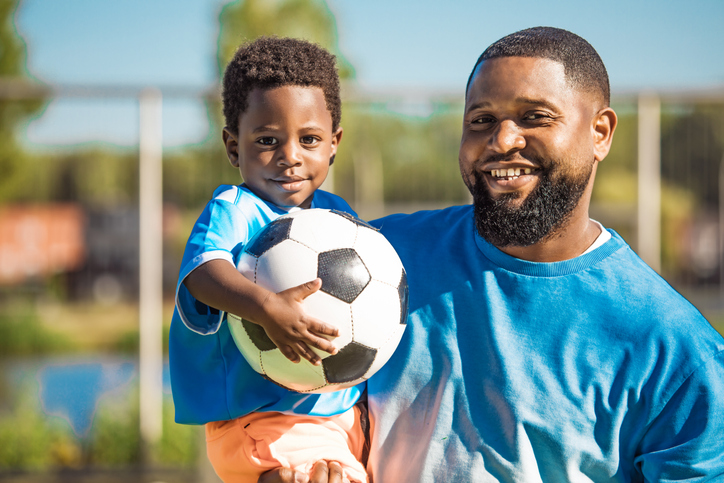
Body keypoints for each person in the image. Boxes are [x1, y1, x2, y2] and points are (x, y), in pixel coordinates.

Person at [268, 26, 724, 482]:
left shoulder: (677, 351)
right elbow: (284, 407)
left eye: (536, 117)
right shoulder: (369, 259)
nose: (502, 140)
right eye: (481, 120)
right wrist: (297, 466)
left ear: (599, 132)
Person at [168, 37, 368, 483]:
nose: (290, 156)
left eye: (310, 139)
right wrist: (266, 308)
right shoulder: (234, 209)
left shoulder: (338, 217)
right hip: (259, 420)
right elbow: (203, 272)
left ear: (334, 144)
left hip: (331, 414)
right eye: (267, 140)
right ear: (234, 146)